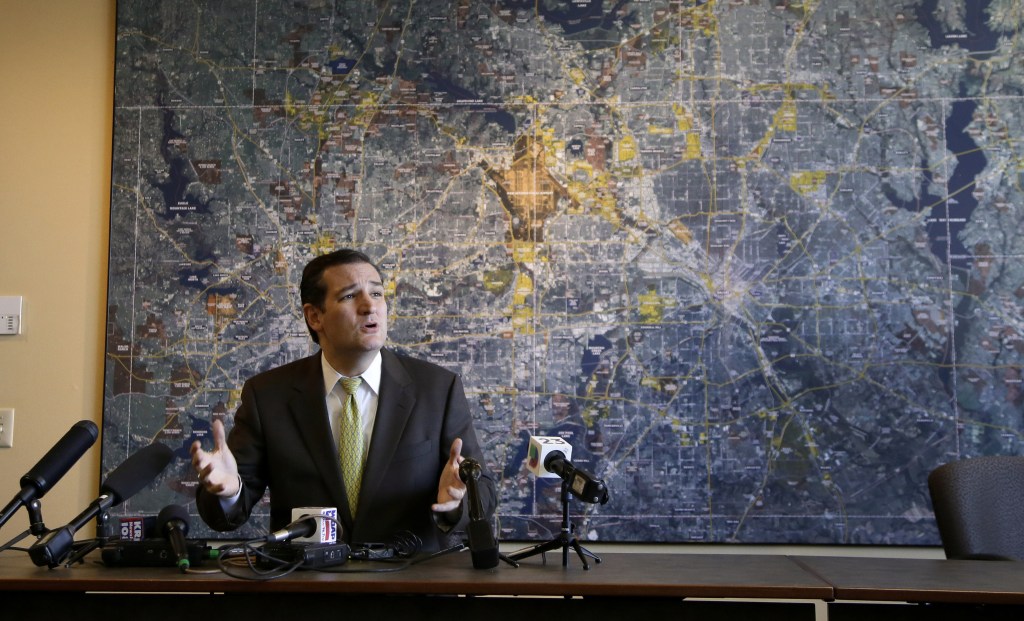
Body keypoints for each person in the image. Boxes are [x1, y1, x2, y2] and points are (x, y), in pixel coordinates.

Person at [190, 248, 496, 551]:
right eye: (350, 296)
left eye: (377, 294)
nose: (369, 306)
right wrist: (228, 493)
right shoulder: (268, 396)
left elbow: (482, 491)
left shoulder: (437, 390)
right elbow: (226, 514)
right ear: (315, 316)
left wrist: (456, 502)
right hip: (308, 588)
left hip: (410, 587)